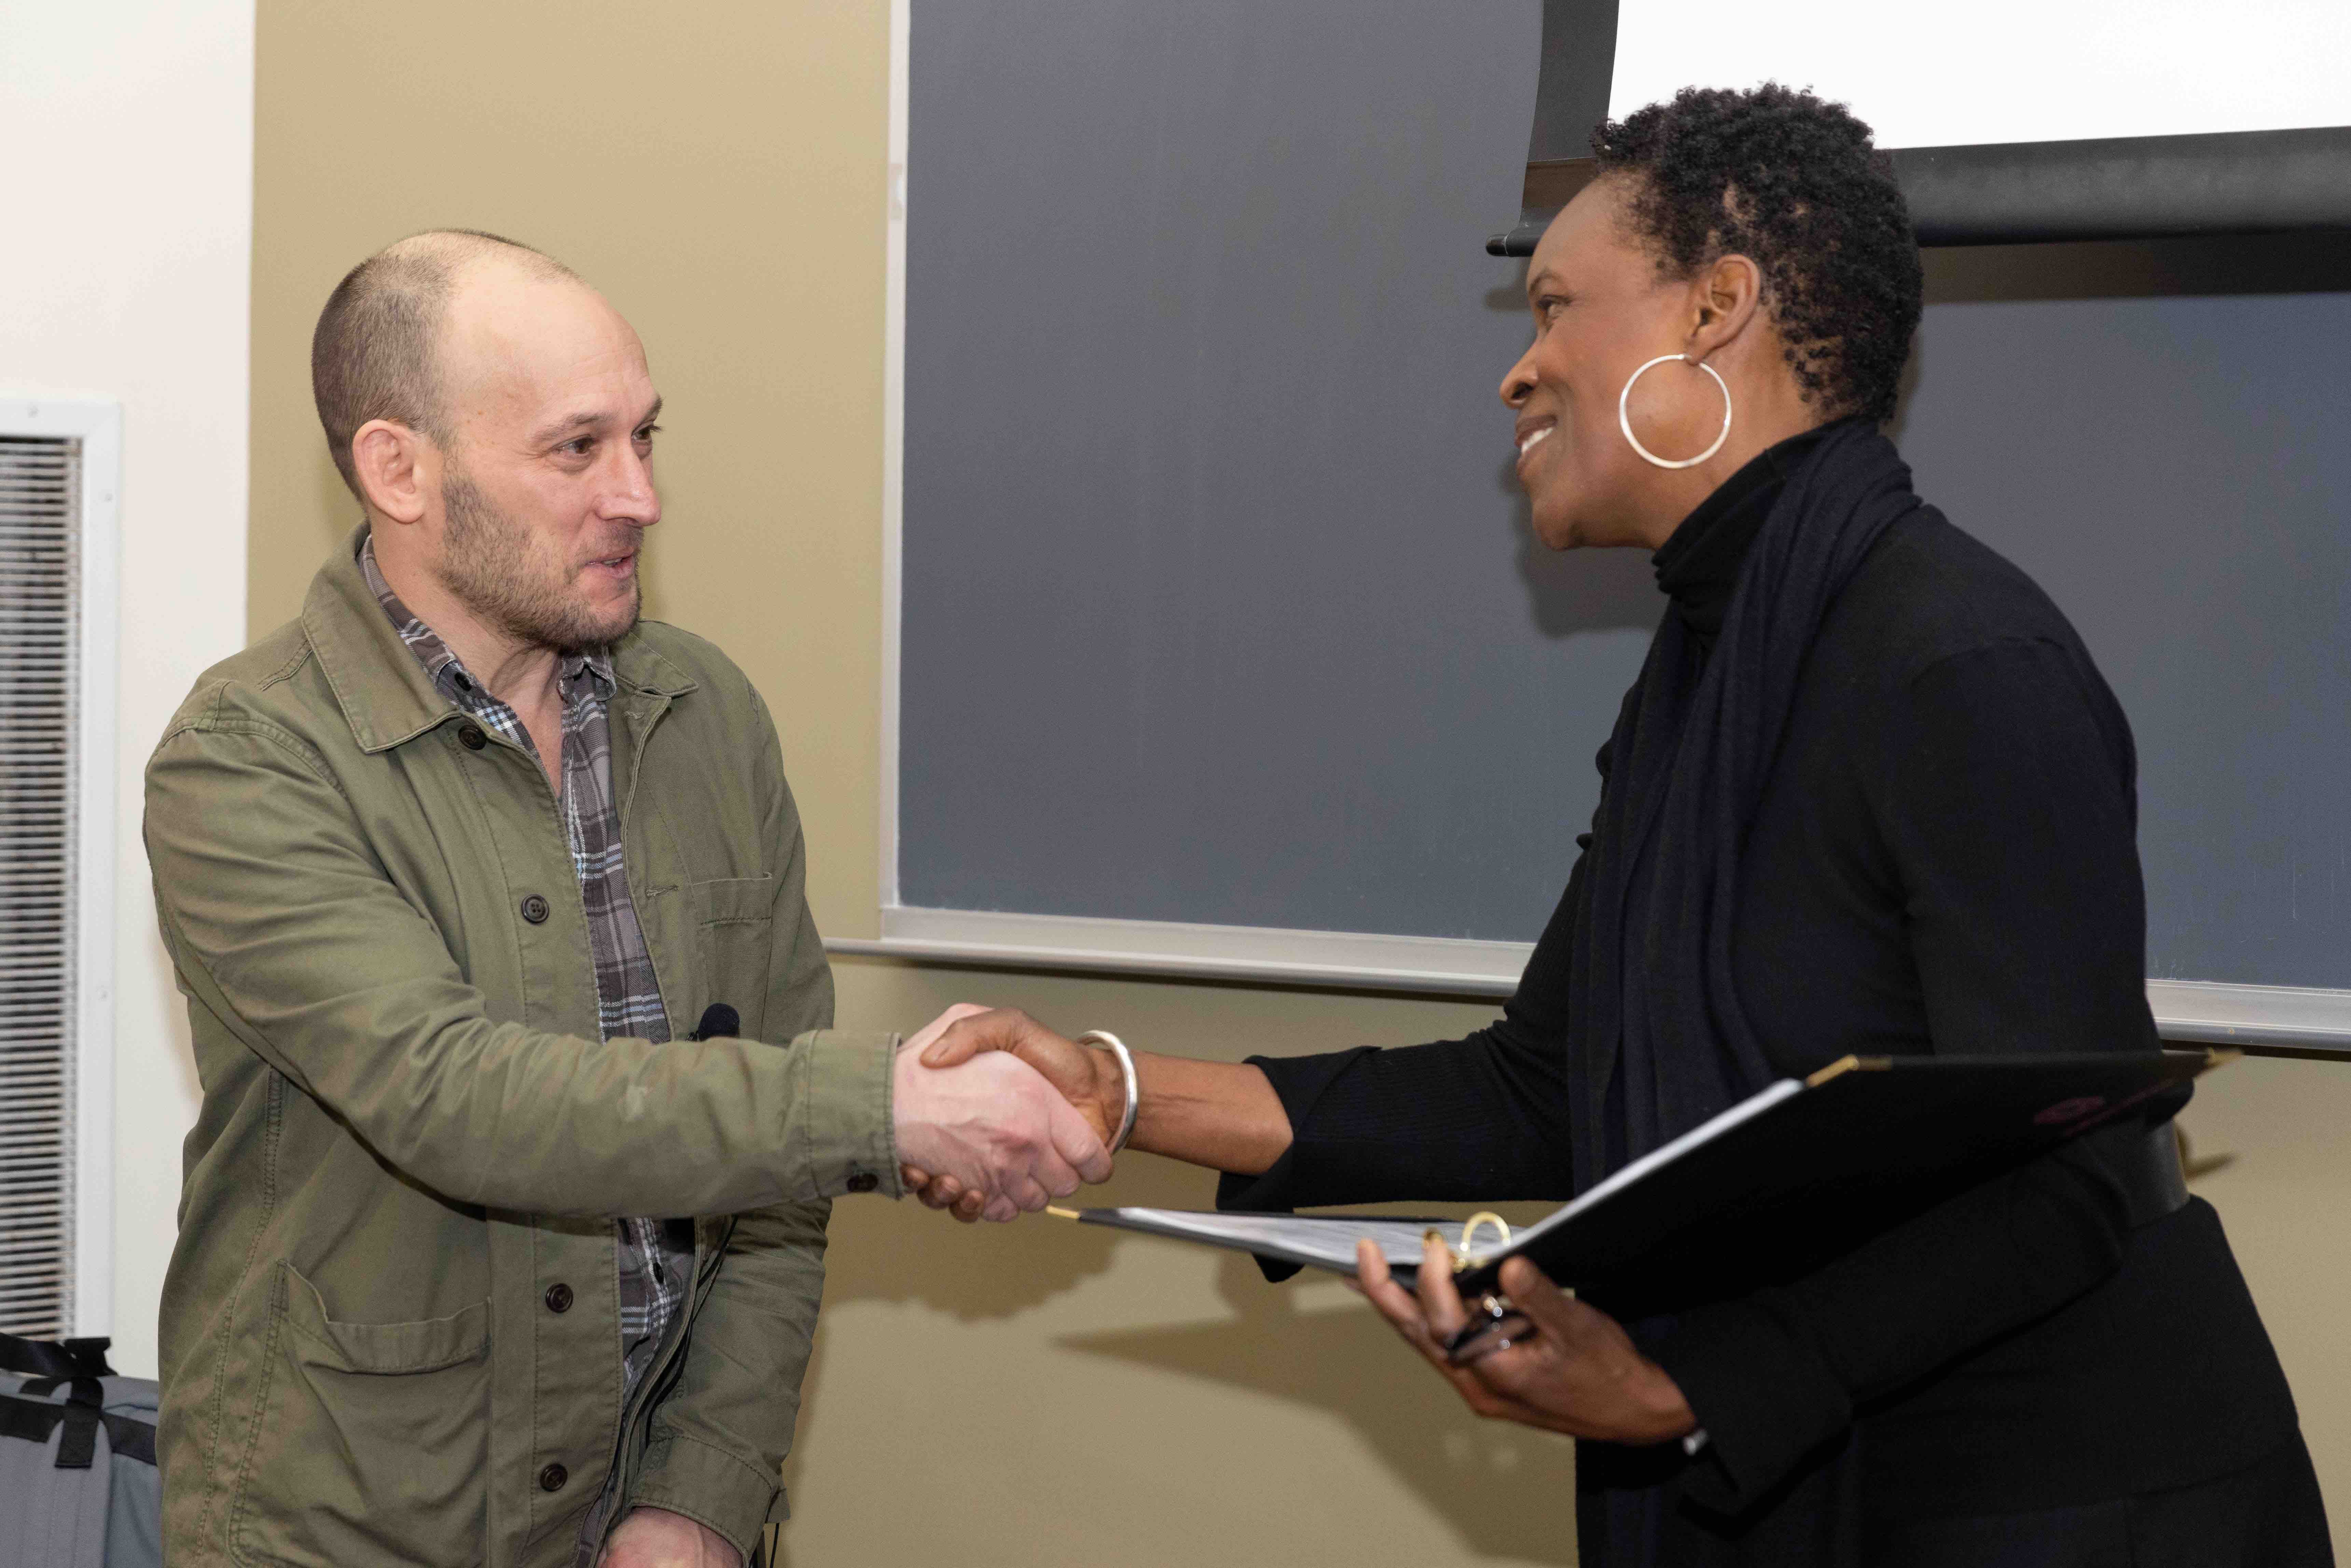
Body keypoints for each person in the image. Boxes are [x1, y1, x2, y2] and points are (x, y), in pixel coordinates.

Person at [902, 88, 2334, 1565]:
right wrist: (1114, 1087)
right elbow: (1544, 1085)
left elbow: (2069, 1166)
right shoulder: (1709, 663)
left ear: (1717, 309)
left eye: (1553, 308)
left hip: (2062, 1508)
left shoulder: (1952, 661)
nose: (1516, 373)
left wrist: (1679, 1386)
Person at [144, 231, 1109, 1568]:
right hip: (348, 1529)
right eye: (577, 448)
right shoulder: (251, 756)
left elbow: (775, 1187)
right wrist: (882, 1104)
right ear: (397, 468)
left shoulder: (703, 713)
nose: (640, 495)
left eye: (646, 437)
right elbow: (463, 1096)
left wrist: (698, 1497)